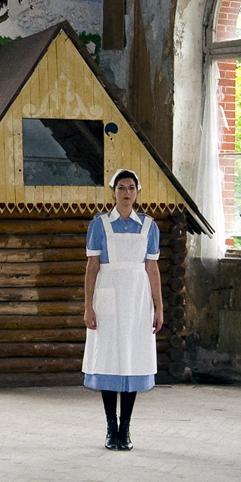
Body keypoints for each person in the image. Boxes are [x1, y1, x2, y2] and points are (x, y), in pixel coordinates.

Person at [81, 168, 162, 450]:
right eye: (121, 188)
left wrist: (159, 307)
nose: (126, 193)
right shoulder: (99, 224)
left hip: (138, 300)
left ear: (137, 192)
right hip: (108, 296)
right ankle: (110, 427)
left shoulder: (149, 226)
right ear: (113, 191)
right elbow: (92, 267)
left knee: (132, 358)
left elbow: (152, 268)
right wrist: (88, 306)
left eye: (131, 188)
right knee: (109, 358)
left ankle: (125, 428)